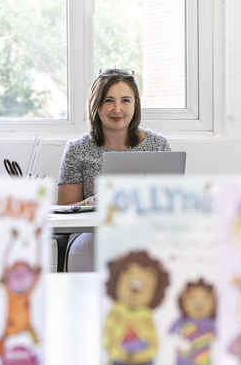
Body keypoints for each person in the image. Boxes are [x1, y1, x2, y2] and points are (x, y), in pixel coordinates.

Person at [56, 68, 170, 271]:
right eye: (108, 100)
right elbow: (65, 212)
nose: (117, 108)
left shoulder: (158, 145)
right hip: (93, 235)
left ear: (135, 105)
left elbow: (171, 206)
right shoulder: (77, 149)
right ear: (96, 105)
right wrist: (92, 202)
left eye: (125, 100)